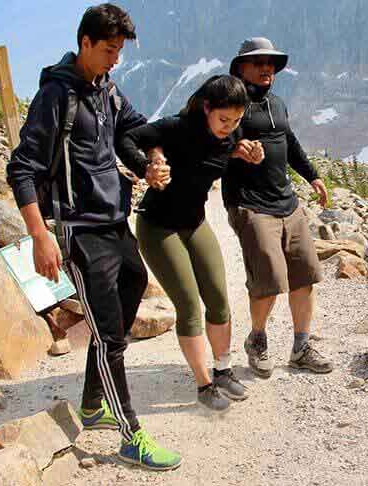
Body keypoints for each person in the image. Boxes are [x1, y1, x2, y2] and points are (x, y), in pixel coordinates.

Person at [5, 4, 180, 471]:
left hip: (114, 221)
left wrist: (150, 162)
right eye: (108, 50)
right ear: (84, 42)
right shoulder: (55, 96)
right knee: (108, 335)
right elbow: (21, 168)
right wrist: (41, 236)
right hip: (79, 231)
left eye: (119, 51)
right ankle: (131, 436)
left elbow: (132, 130)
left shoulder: (107, 89)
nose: (114, 59)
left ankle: (90, 403)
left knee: (134, 285)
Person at [118, 75, 263, 411]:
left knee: (218, 298)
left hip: (195, 223)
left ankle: (223, 370)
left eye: (237, 120)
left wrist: (250, 155)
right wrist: (147, 166)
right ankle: (204, 384)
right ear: (207, 108)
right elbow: (126, 138)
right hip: (158, 227)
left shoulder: (234, 135)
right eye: (223, 119)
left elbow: (231, 155)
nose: (230, 126)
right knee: (189, 306)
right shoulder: (177, 127)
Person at [225, 37, 332, 378]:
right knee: (269, 278)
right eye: (258, 62)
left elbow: (289, 141)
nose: (266, 68)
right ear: (241, 67)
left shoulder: (277, 102)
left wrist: (312, 176)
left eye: (270, 63)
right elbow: (214, 139)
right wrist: (237, 149)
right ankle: (257, 340)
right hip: (250, 204)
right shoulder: (230, 102)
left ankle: (301, 347)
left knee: (304, 275)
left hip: (286, 201)